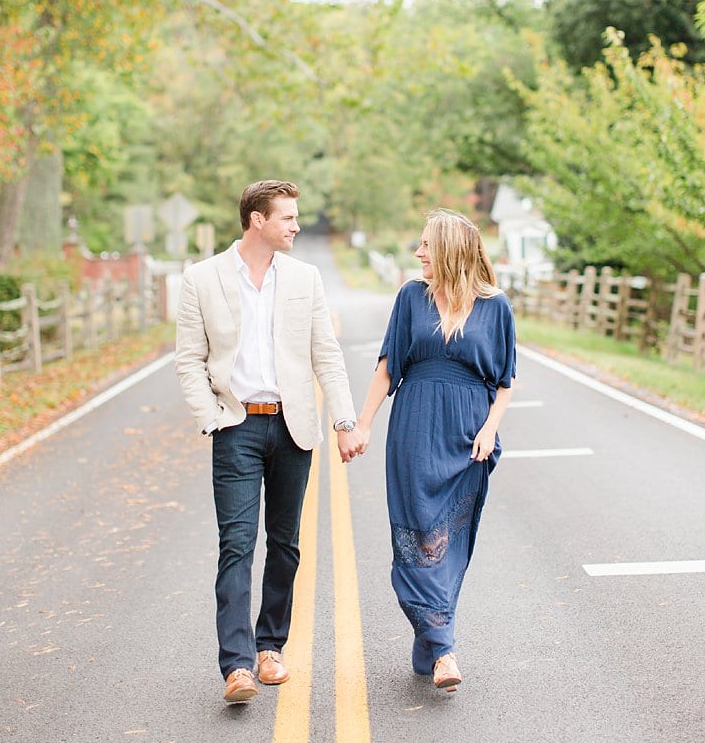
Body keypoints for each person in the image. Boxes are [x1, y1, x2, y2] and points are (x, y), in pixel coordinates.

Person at [175, 179, 361, 705]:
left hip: (293, 426)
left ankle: (269, 647)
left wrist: (344, 421)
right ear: (257, 220)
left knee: (285, 545)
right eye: (287, 218)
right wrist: (211, 417)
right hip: (236, 426)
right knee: (236, 544)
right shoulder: (202, 279)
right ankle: (236, 666)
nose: (297, 227)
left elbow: (325, 353)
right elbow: (189, 358)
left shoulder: (305, 278)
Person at [349, 208, 515, 692]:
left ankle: (430, 640)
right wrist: (362, 424)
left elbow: (504, 382)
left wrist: (488, 429)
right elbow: (387, 367)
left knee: (450, 542)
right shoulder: (410, 298)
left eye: (425, 245)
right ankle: (444, 648)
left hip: (469, 434)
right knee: (419, 535)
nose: (418, 253)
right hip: (415, 427)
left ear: (449, 250)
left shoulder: (495, 306)